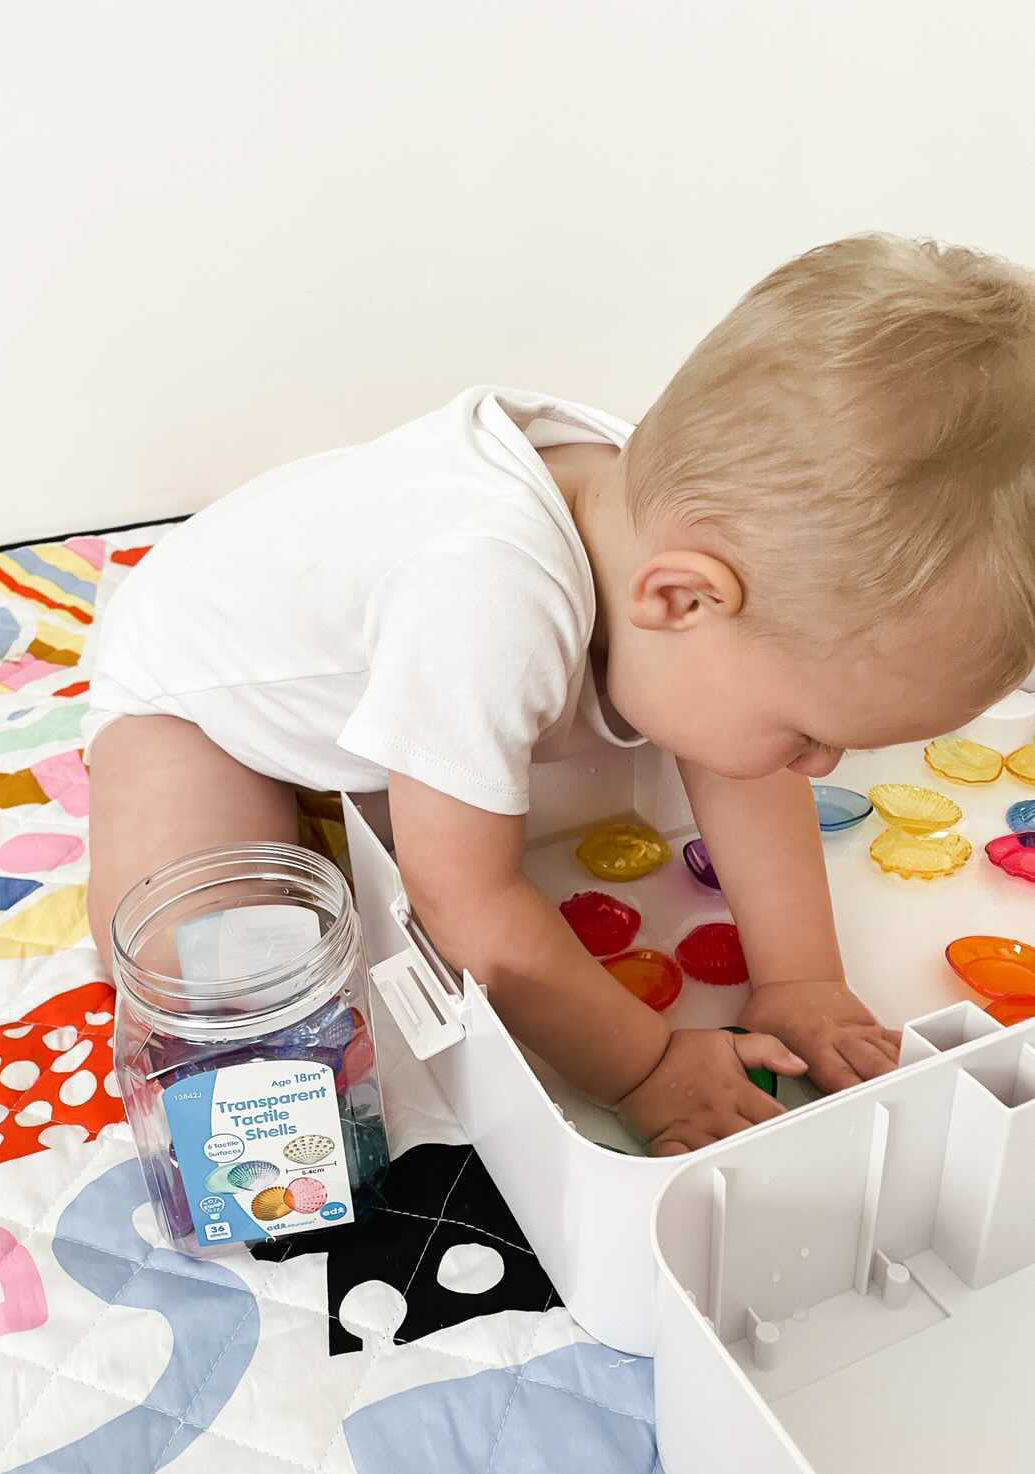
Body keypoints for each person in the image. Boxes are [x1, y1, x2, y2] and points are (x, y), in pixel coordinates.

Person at [86, 233, 1035, 1155]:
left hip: (366, 665)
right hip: (197, 700)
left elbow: (742, 768)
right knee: (213, 980)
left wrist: (803, 978)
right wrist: (646, 1065)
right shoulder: (487, 598)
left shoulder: (684, 517)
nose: (821, 769)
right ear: (682, 598)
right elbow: (466, 904)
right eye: (808, 736)